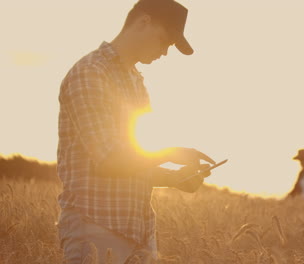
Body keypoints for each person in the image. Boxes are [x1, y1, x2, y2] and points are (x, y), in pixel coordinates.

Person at [56, 0, 215, 263]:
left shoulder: (136, 82)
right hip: (96, 227)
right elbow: (109, 160)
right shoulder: (90, 73)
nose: (165, 52)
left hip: (139, 232)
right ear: (144, 22)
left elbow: (133, 160)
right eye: (165, 40)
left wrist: (174, 179)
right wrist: (170, 153)